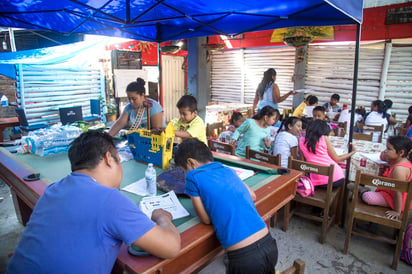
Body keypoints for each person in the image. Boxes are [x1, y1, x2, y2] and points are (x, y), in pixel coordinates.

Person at [7, 131, 180, 273]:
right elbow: (171, 247)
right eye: (118, 160)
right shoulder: (110, 200)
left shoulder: (52, 190)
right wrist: (162, 218)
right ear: (108, 159)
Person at [174, 138, 278, 273]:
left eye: (183, 170)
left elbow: (205, 219)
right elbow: (252, 195)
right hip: (269, 245)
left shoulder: (192, 176)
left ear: (191, 162)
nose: (184, 174)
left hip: (244, 259)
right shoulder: (226, 169)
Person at [355, 136, 412, 220]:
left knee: (368, 197)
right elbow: (382, 157)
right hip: (388, 191)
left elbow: (398, 193)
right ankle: (362, 190)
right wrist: (386, 152)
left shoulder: (399, 169)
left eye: (389, 149)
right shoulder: (396, 159)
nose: (385, 151)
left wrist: (397, 211)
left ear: (401, 153)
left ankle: (363, 190)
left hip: (396, 200)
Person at [299, 120, 356, 188]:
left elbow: (302, 162)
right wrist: (352, 152)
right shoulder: (324, 138)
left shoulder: (301, 141)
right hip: (335, 178)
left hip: (315, 180)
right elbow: (337, 159)